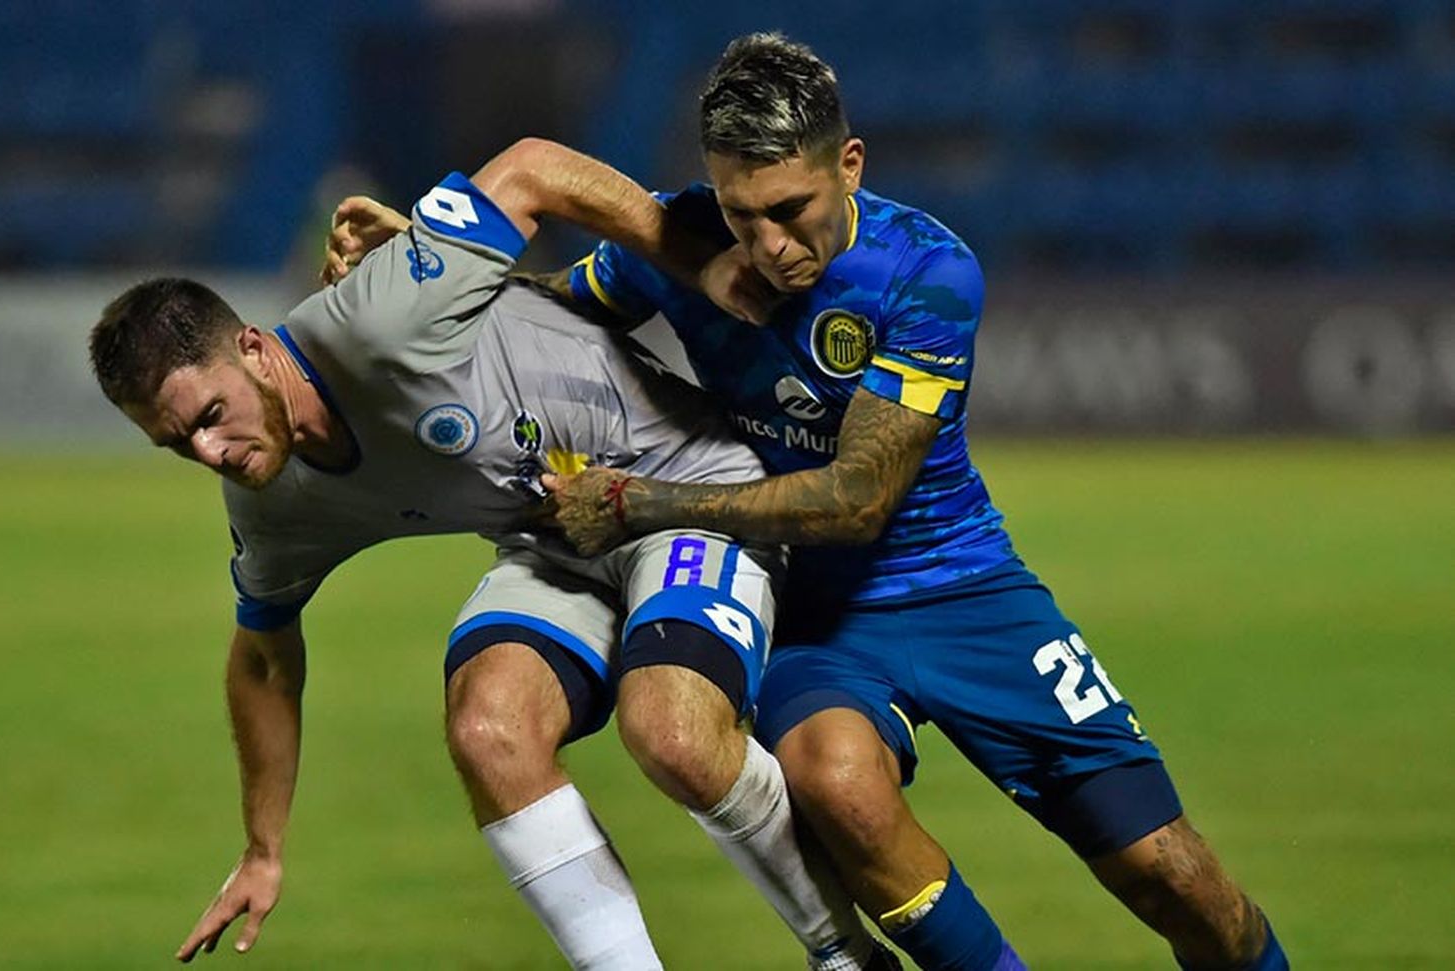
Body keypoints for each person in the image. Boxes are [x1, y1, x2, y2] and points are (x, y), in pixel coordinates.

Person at [336, 32, 1290, 971]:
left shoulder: (926, 270)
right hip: (806, 614)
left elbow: (856, 501)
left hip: (962, 586)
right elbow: (558, 316)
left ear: (850, 164)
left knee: (1172, 875)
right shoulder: (682, 243)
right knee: (840, 787)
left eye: (790, 209)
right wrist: (436, 279)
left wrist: (639, 504)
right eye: (741, 214)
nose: (768, 245)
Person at [91, 139, 893, 969]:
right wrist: (262, 847)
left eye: (212, 412)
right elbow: (261, 656)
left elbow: (534, 167)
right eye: (179, 442)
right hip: (557, 541)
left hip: (687, 490)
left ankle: (842, 954)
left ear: (255, 349)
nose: (212, 449)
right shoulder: (273, 503)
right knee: (488, 727)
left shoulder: (381, 317)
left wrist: (699, 263)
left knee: (674, 732)